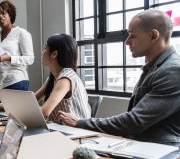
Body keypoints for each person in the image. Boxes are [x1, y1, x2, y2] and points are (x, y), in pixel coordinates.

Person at [59, 9, 180, 147]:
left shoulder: (173, 70)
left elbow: (135, 121)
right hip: (141, 146)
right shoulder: (154, 67)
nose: (127, 42)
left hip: (161, 151)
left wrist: (80, 122)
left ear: (153, 36)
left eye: (132, 36)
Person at [0, 34, 91, 123]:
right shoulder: (53, 79)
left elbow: (45, 111)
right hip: (60, 129)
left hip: (76, 133)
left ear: (54, 54)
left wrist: (14, 112)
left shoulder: (65, 79)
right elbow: (30, 101)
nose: (42, 51)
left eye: (45, 48)